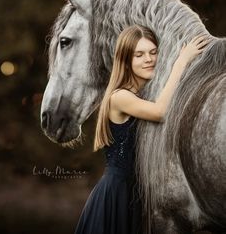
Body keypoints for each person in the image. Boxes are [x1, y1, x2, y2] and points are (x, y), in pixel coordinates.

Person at [74, 25, 210, 234]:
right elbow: (160, 112)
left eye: (153, 52)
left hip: (135, 194)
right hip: (117, 194)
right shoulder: (120, 97)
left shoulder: (139, 97)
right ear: (126, 62)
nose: (149, 59)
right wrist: (181, 61)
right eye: (139, 55)